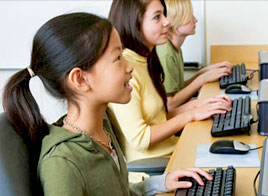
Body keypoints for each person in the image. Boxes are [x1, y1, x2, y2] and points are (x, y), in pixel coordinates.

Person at [2, 12, 212, 196]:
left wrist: (160, 183)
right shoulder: (63, 164)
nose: (129, 67)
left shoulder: (103, 126)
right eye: (118, 58)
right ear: (81, 80)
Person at [108, 0, 232, 163]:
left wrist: (200, 105)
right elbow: (140, 139)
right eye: (157, 17)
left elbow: (159, 117)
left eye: (164, 15)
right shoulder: (126, 70)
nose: (167, 22)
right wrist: (191, 114)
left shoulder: (145, 60)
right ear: (134, 22)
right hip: (156, 165)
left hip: (173, 150)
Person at [156, 0, 234, 110]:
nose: (195, 20)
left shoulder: (174, 48)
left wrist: (204, 72)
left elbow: (178, 89)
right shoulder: (165, 53)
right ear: (176, 22)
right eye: (190, 16)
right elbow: (170, 103)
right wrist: (202, 79)